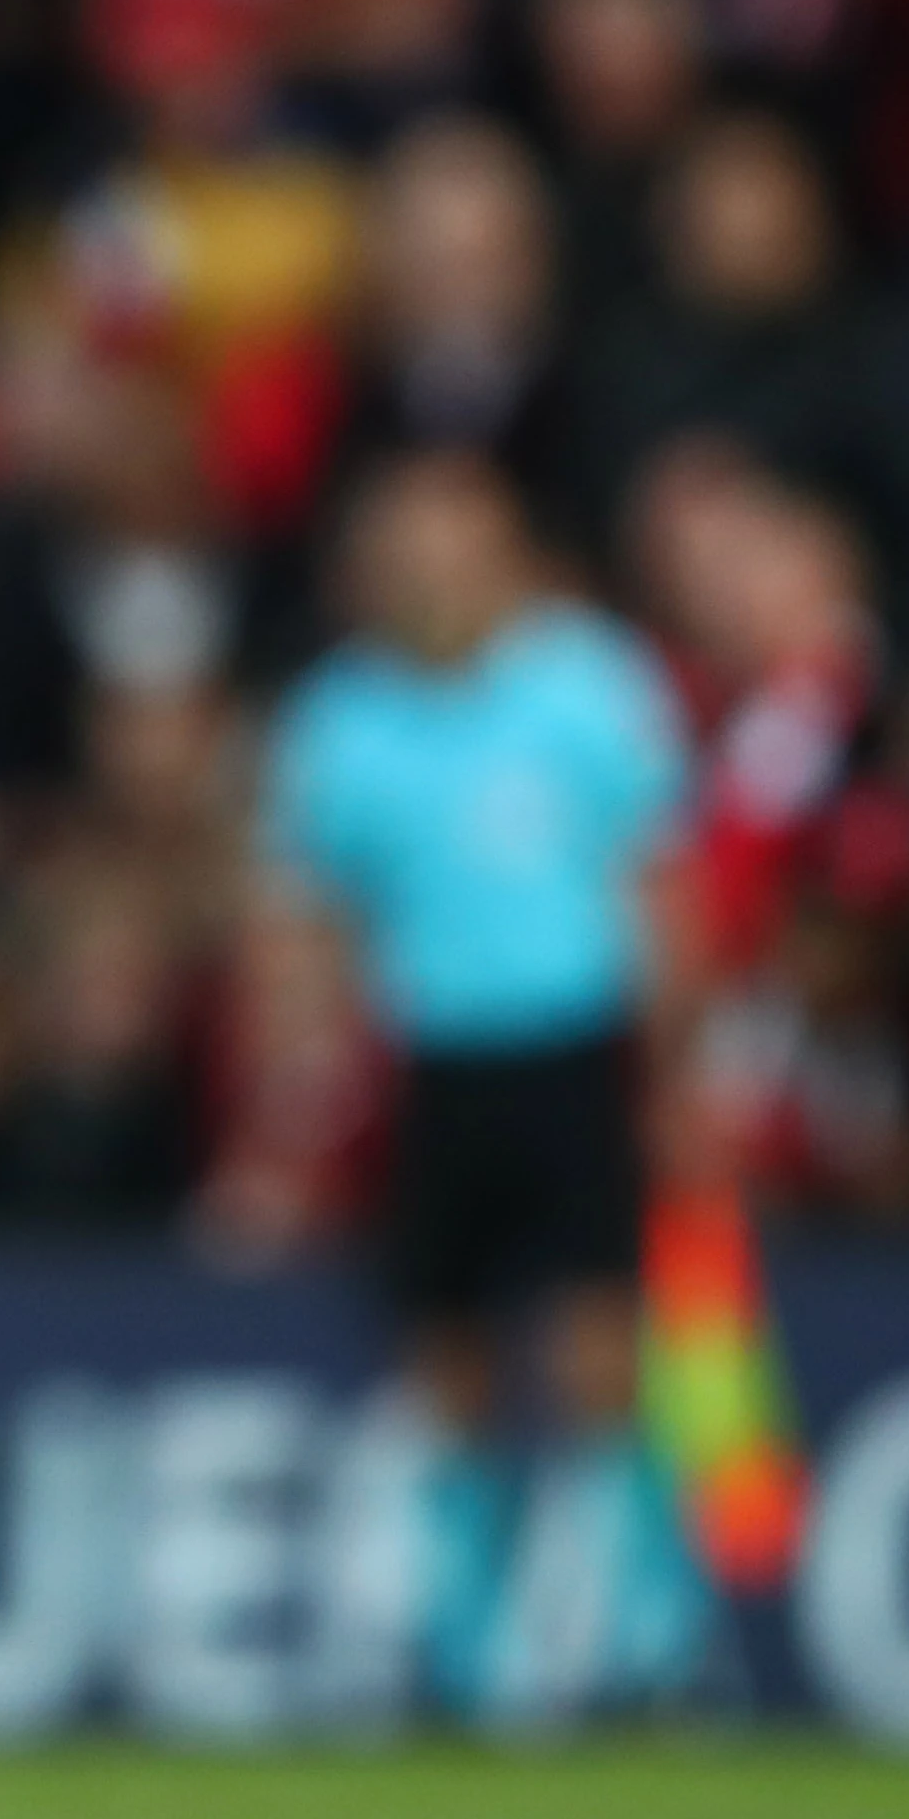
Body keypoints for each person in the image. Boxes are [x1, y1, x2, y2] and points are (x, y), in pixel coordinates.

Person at [257, 451, 707, 1722]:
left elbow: (659, 885)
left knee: (596, 1348)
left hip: (570, 1049)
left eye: (452, 549)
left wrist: (676, 1066)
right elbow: (307, 913)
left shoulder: (584, 685)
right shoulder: (340, 718)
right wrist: (296, 1075)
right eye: (404, 554)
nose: (429, 577)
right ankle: (471, 1643)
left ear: (504, 557)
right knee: (443, 1359)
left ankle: (644, 1631)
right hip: (430, 1065)